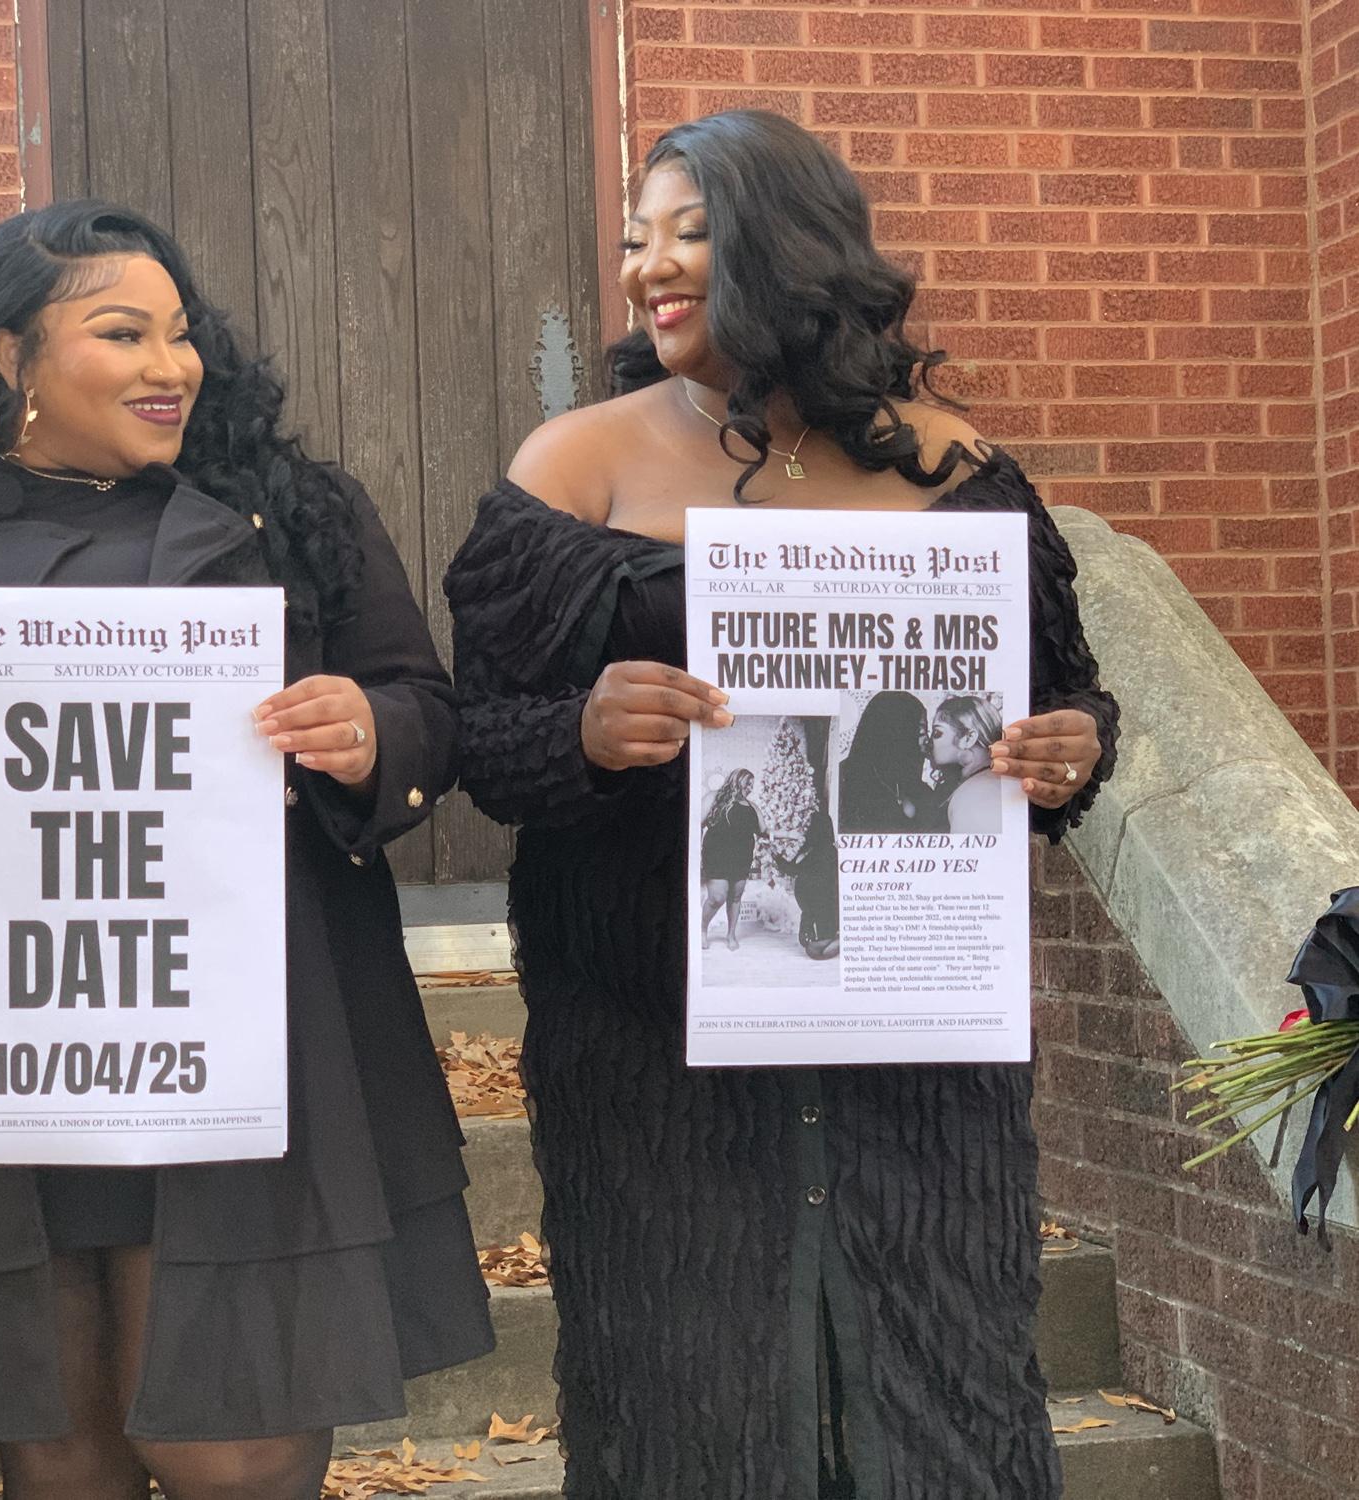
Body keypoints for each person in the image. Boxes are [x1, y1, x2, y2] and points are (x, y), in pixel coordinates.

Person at [446, 110, 1118, 1500]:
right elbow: (480, 743)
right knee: (691, 1409)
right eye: (636, 240)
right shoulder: (572, 468)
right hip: (656, 1039)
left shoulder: (955, 473)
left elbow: (1063, 694)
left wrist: (1070, 750)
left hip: (914, 1045)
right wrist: (583, 730)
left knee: (939, 1395)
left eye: (689, 232)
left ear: (788, 247)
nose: (647, 267)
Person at [0, 201, 493, 1500]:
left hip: (240, 1041)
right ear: (11, 356)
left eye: (182, 332)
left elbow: (429, 713)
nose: (172, 365)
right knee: (60, 1448)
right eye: (124, 333)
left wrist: (368, 732)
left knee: (235, 1447)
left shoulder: (293, 513)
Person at [837, 691, 940, 835]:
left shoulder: (921, 792)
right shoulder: (846, 781)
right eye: (920, 732)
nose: (927, 741)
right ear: (897, 733)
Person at [699, 766, 765, 949]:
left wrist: (789, 835)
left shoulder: (752, 806)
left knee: (735, 897)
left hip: (741, 856)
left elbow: (764, 831)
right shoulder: (714, 797)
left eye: (752, 785)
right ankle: (702, 929)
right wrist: (695, 851)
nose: (750, 788)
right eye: (748, 783)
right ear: (737, 779)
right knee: (717, 897)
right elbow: (697, 823)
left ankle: (731, 934)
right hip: (716, 854)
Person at [930, 695, 1005, 835]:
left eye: (937, 733)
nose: (929, 742)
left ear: (968, 738)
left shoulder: (975, 794)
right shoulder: (990, 783)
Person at [773, 808, 841, 961]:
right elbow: (793, 869)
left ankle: (827, 942)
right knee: (811, 940)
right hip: (811, 902)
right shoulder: (811, 848)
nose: (807, 828)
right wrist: (779, 860)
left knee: (817, 941)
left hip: (820, 903)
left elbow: (795, 870)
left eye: (810, 825)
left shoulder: (824, 851)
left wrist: (778, 859)